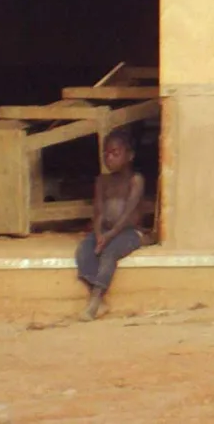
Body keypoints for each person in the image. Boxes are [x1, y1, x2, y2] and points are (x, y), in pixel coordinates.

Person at [76, 130, 146, 320]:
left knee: (109, 253)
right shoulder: (102, 181)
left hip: (129, 232)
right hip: (105, 231)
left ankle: (94, 303)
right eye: (106, 154)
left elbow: (127, 214)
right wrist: (99, 234)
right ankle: (98, 298)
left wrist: (109, 236)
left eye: (115, 153)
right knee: (84, 251)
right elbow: (98, 211)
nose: (110, 158)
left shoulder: (135, 180)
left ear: (129, 155)